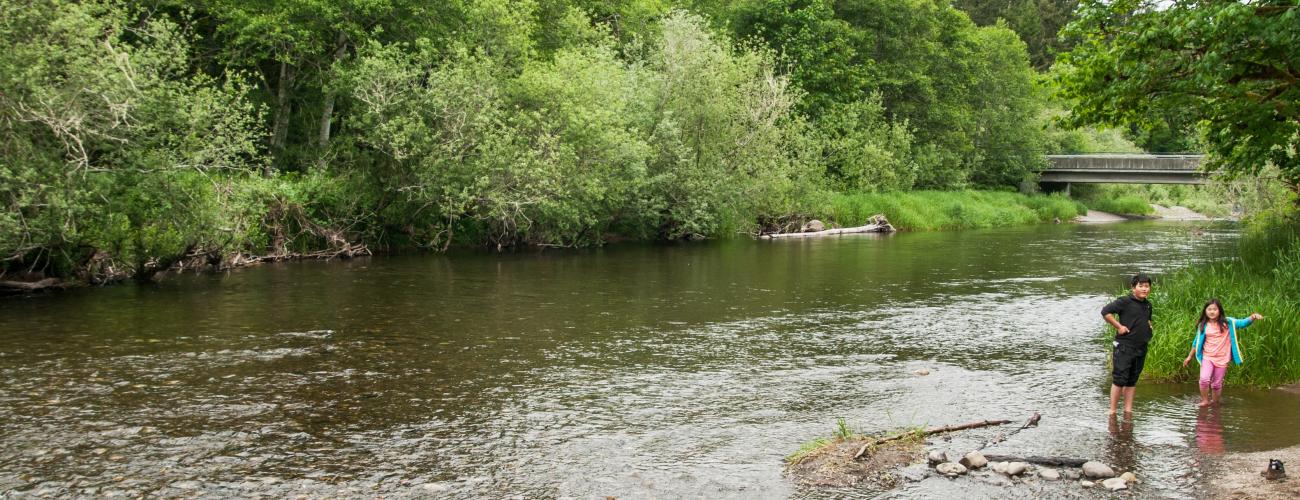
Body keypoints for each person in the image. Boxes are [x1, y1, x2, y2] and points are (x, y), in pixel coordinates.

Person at [1182, 298, 1263, 406]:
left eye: (1214, 309)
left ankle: (1215, 403)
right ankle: (1205, 400)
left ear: (1219, 310)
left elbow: (1242, 323)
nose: (1212, 311)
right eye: (1209, 309)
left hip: (1222, 359)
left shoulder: (1228, 322)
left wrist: (1253, 317)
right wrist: (1189, 356)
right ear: (1205, 311)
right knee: (1204, 379)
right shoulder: (1203, 325)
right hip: (1208, 357)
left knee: (1216, 384)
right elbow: (1196, 342)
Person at [1101, 273, 1154, 416]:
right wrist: (1119, 326)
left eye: (1147, 286)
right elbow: (1105, 312)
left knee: (1132, 381)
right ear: (1133, 287)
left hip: (1141, 347)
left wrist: (1149, 326)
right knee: (1119, 379)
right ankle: (1112, 411)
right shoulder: (1125, 301)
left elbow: (1147, 319)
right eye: (1141, 286)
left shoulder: (1148, 305)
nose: (1144, 289)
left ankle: (1128, 410)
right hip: (1124, 347)